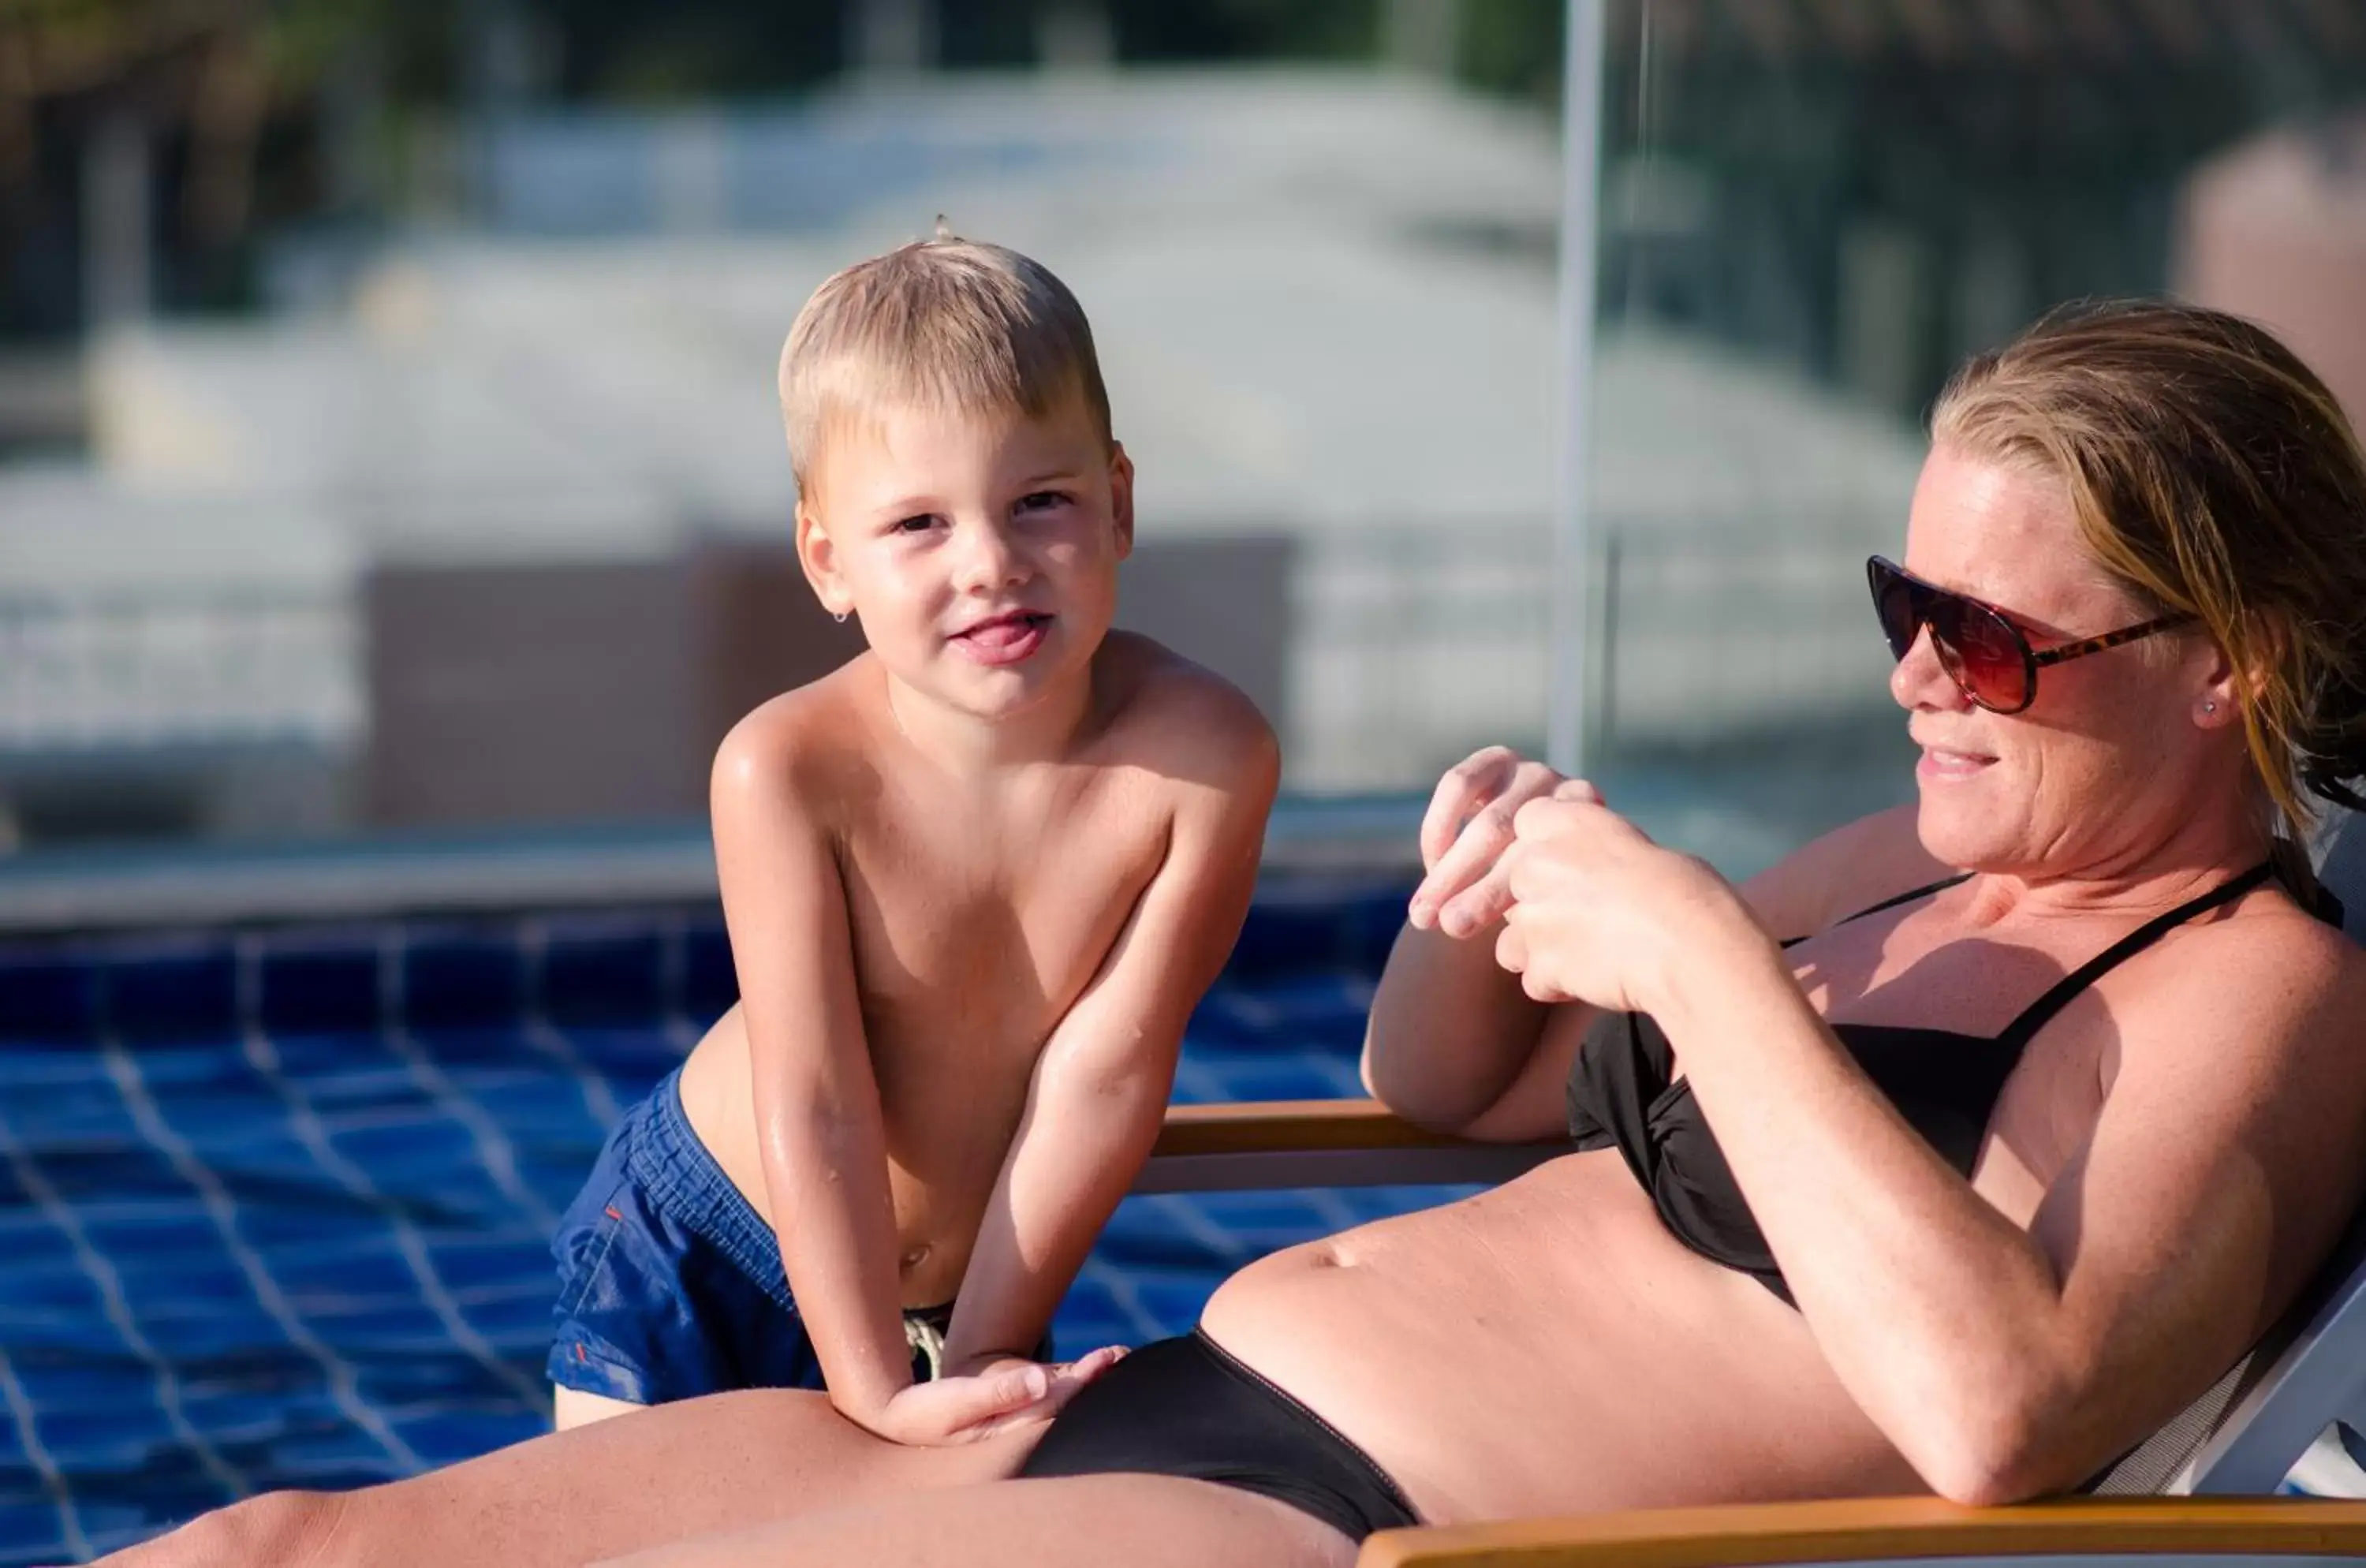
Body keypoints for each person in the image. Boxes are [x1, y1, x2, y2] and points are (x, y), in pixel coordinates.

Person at [114, 300, 2366, 1568]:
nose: (1913, 679)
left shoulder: (2261, 987)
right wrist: (1496, 899)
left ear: (2224, 665)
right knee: (273, 1547)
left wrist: (1687, 948)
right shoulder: (1906, 861)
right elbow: (1448, 1096)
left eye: (1991, 641)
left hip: (1369, 1522)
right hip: (1178, 1392)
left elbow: (2002, 1415)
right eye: (1906, 609)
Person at [542, 233, 1281, 1438]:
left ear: (1121, 503)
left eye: (1040, 502)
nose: (990, 564)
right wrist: (876, 1393)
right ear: (827, 561)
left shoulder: (1202, 760)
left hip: (976, 1285)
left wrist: (978, 1348)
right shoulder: (788, 771)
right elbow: (819, 1096)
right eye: (920, 525)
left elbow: (1107, 1074)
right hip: (704, 1238)